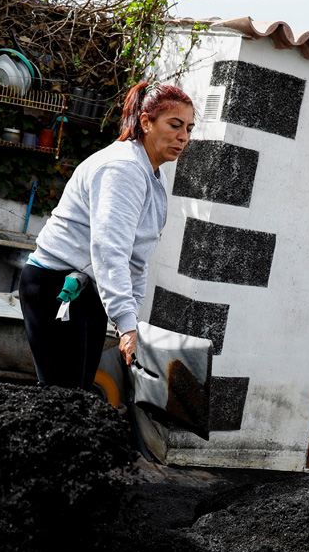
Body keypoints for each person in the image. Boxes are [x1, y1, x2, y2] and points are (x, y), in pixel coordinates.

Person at [19, 82, 194, 391]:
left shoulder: (154, 175)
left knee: (78, 392)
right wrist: (126, 325)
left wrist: (129, 320)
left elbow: (136, 257)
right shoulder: (123, 169)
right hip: (55, 286)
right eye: (175, 125)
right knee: (63, 396)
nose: (184, 137)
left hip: (89, 288)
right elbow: (109, 251)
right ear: (145, 122)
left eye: (189, 128)